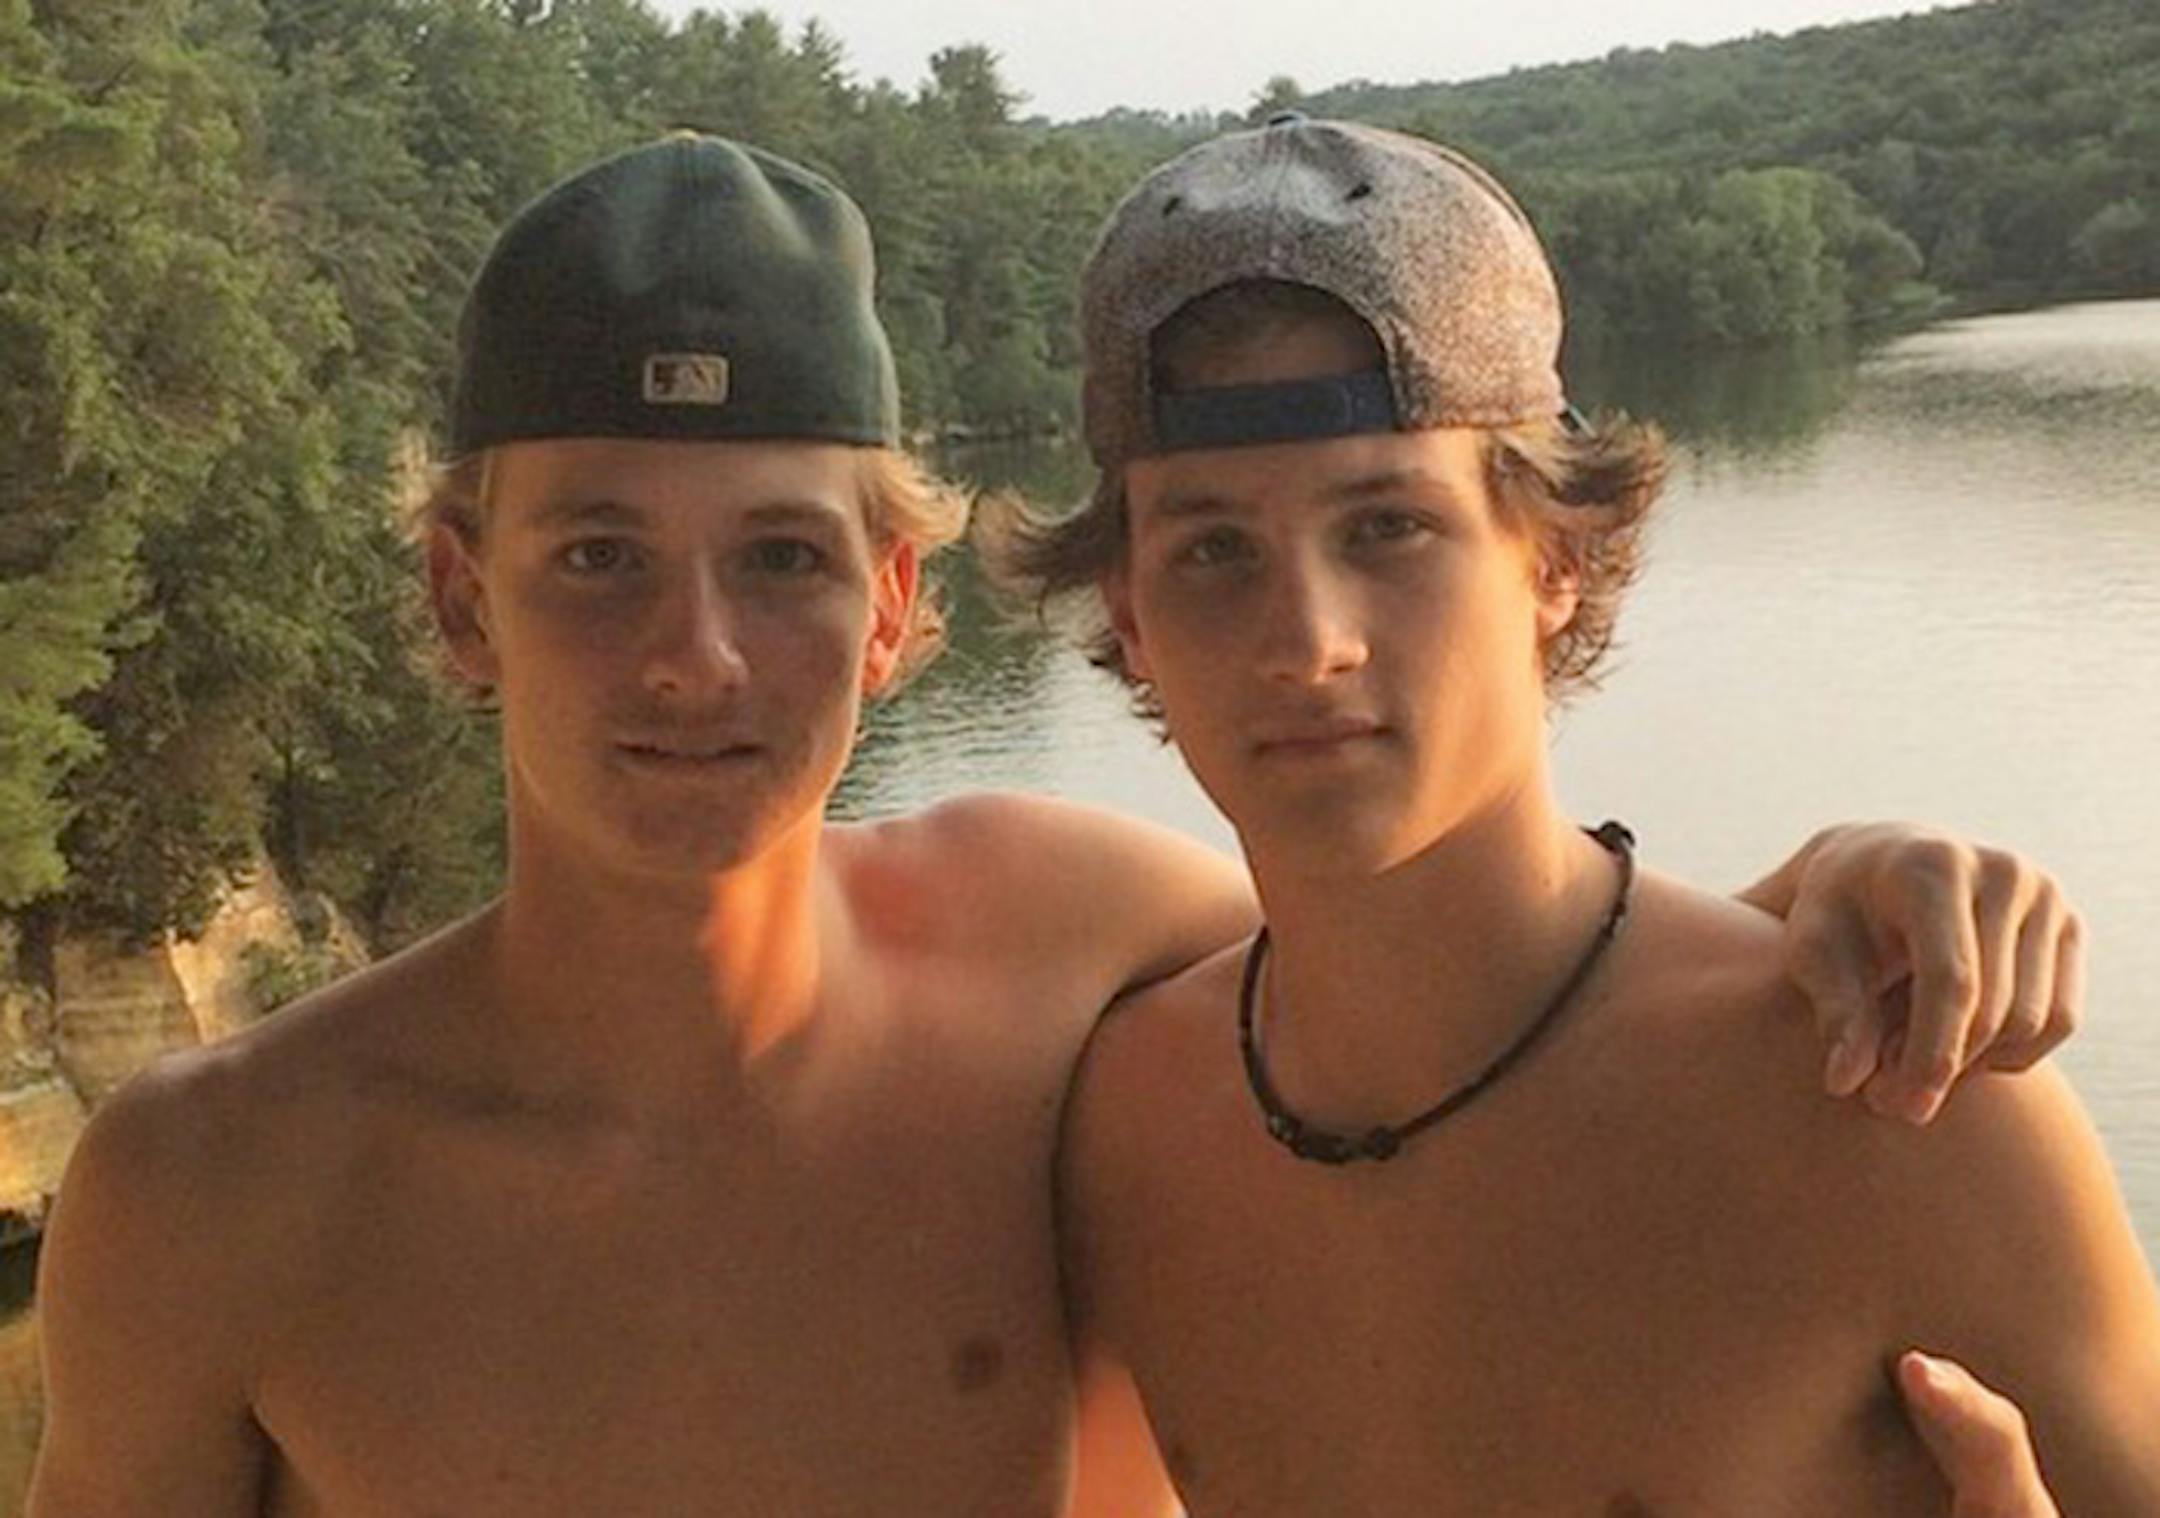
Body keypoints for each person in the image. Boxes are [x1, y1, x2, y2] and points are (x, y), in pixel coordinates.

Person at [25, 132, 2090, 1517]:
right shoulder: (216, 1197)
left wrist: (1833, 905)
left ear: (902, 609)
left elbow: (1481, 1010)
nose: (696, 659)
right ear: (462, 597)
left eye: (781, 561)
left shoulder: (1061, 951)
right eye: (591, 561)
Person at [1007, 115, 2160, 1515]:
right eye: (1213, 550)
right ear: (1129, 613)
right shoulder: (1128, 1135)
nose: (1305, 639)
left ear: (1554, 557)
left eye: (1388, 527)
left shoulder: (1892, 1100)